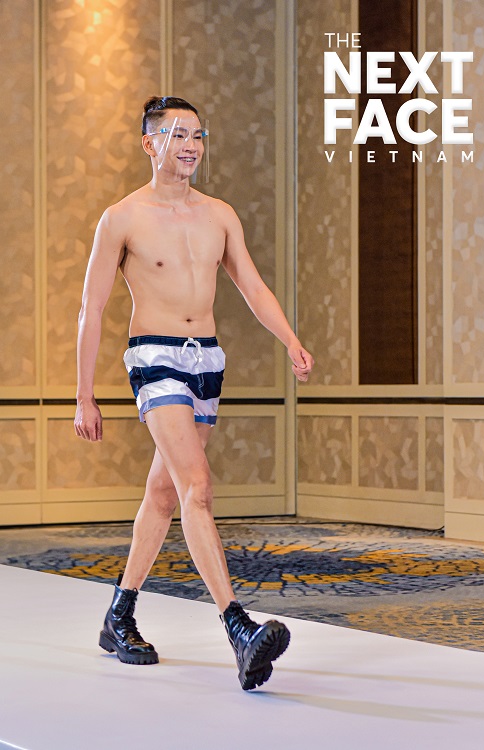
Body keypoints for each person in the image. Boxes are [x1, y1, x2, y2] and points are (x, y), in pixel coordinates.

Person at [74, 95, 315, 690]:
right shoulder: (122, 218)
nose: (191, 146)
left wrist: (290, 339)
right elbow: (92, 308)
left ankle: (118, 615)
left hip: (206, 360)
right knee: (198, 488)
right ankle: (239, 628)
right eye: (177, 134)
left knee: (164, 494)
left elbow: (251, 286)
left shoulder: (219, 216)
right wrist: (84, 395)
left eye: (198, 135)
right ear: (149, 143)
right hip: (154, 357)